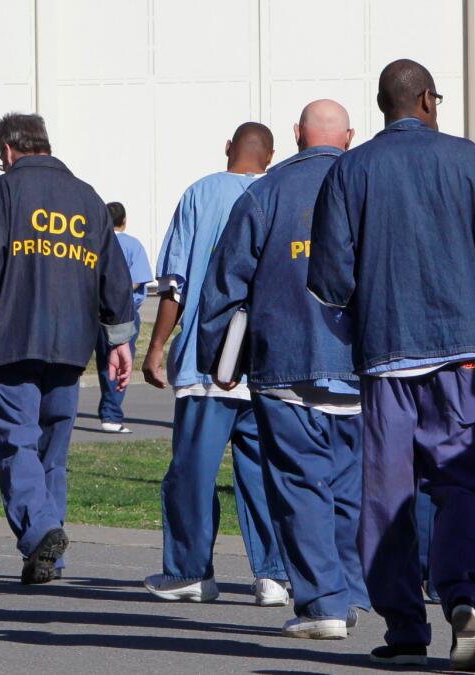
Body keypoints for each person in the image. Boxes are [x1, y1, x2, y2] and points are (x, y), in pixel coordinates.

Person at [307, 59, 475, 670]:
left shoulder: (350, 169)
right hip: (460, 356)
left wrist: (360, 326)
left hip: (385, 360)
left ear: (382, 105)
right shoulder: (469, 160)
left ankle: (405, 625)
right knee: (458, 483)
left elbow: (329, 281)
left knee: (386, 493)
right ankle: (461, 596)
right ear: (429, 101)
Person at [198, 100, 369, 640]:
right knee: (349, 488)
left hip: (287, 362)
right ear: (349, 136)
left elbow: (226, 283)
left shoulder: (265, 193)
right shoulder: (368, 186)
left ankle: (323, 603)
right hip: (360, 366)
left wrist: (216, 358)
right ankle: (349, 591)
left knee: (299, 486)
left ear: (296, 134)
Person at [0, 113, 135, 584]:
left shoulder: (6, 191)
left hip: (13, 338)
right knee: (53, 448)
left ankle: (43, 528)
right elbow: (114, 274)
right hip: (70, 344)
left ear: (9, 150)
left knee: (17, 440)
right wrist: (118, 340)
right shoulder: (88, 198)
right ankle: (49, 555)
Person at [141, 122, 289, 605]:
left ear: (229, 148)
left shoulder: (200, 194)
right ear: (271, 155)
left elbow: (175, 282)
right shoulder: (280, 193)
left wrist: (158, 345)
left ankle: (190, 570)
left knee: (192, 471)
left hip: (210, 359)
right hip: (268, 360)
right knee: (263, 471)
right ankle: (273, 574)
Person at [94, 201, 152, 434]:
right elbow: (137, 280)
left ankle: (108, 411)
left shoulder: (96, 243)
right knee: (119, 362)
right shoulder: (132, 245)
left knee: (102, 361)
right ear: (124, 221)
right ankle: (111, 414)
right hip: (123, 314)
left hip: (94, 311)